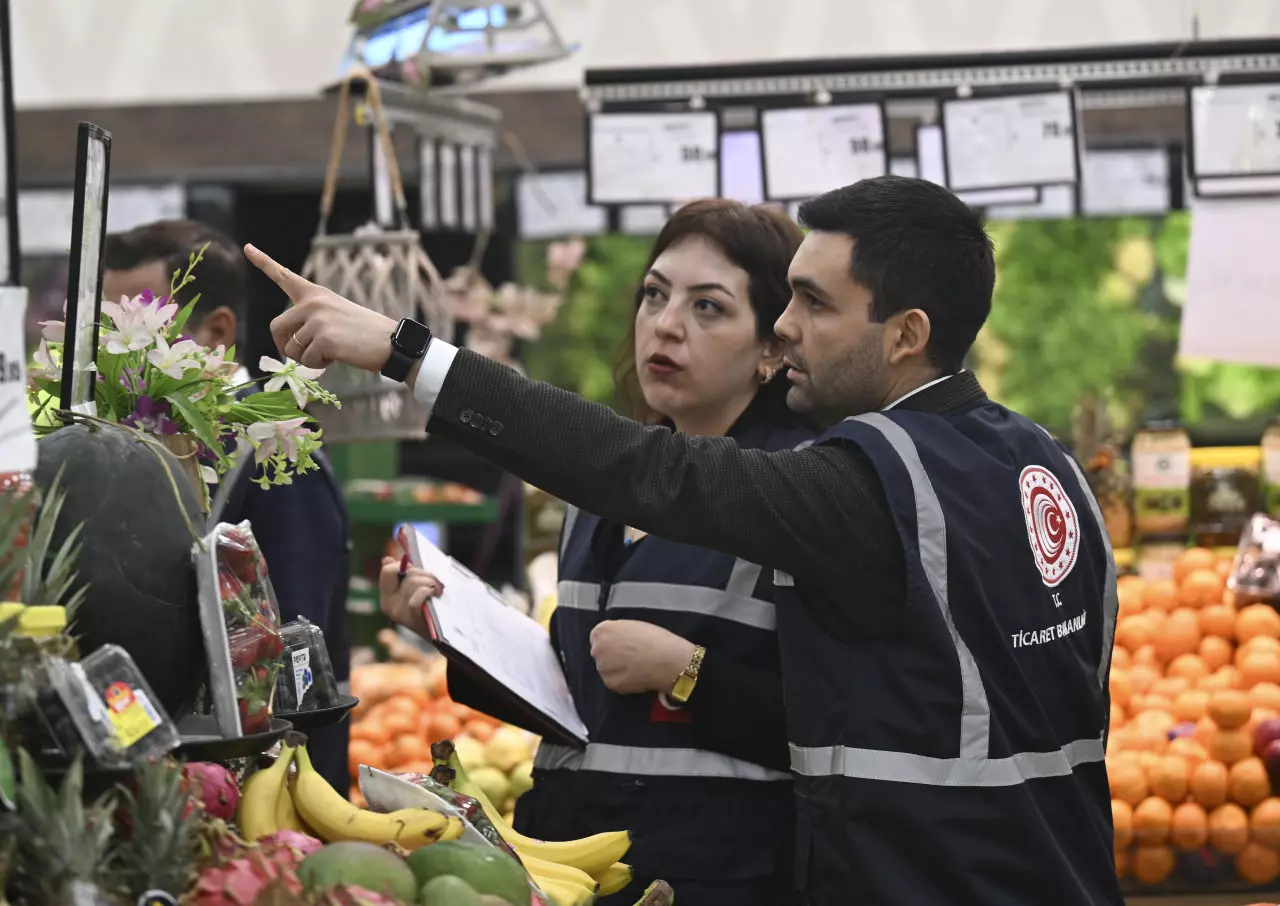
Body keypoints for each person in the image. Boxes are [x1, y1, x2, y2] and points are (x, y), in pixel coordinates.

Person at [246, 175, 1122, 906]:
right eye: (657, 296)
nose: (785, 328)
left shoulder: (864, 478)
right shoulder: (1046, 466)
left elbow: (651, 472)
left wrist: (408, 353)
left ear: (906, 335)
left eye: (812, 304)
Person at [380, 200, 812, 905]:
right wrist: (445, 630)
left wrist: (689, 671)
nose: (666, 324)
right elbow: (580, 700)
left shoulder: (791, 489)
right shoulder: (600, 492)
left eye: (709, 308)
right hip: (566, 862)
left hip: (714, 875)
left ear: (772, 348)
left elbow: (842, 720)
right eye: (655, 294)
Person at [103, 221, 353, 795]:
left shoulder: (275, 449)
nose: (113, 350)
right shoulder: (146, 445)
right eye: (108, 328)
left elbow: (295, 651)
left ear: (217, 331)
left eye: (143, 328)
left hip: (270, 791)